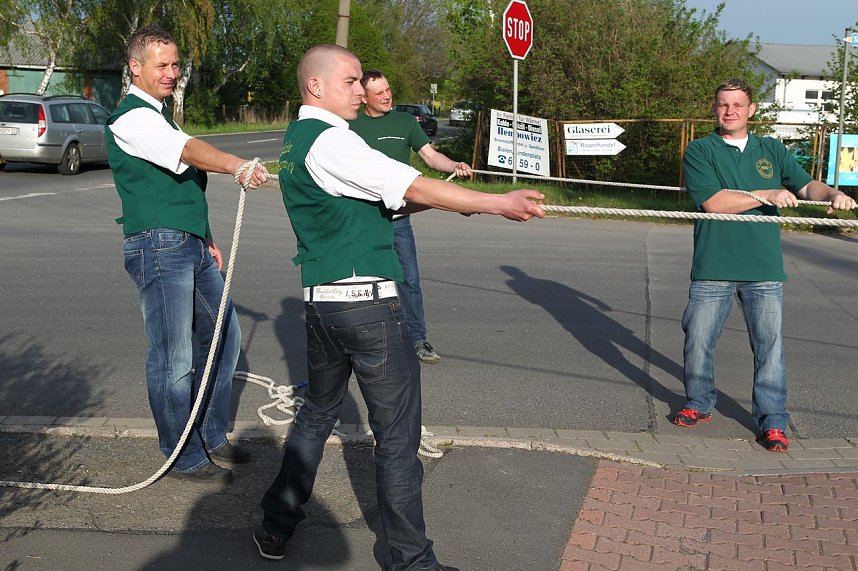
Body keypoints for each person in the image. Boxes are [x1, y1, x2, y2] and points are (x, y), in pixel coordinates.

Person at [254, 44, 544, 569]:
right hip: (367, 308)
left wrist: (448, 202)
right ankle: (412, 560)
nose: (360, 90)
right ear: (315, 86)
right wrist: (497, 202)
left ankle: (275, 524)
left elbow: (381, 200)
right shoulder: (334, 141)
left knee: (316, 414)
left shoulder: (298, 139)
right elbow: (408, 183)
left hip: (323, 306)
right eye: (350, 81)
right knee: (396, 439)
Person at [106, 25, 268, 482]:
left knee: (223, 338)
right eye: (162, 65)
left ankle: (211, 435)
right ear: (135, 67)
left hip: (188, 242)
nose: (172, 72)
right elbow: (187, 152)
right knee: (173, 356)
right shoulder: (131, 119)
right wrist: (236, 164)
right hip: (158, 245)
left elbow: (184, 179)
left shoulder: (161, 116)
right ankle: (182, 454)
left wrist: (206, 236)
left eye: (176, 64)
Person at [672, 78, 856, 452]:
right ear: (715, 108)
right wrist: (765, 194)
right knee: (698, 339)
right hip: (714, 265)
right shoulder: (700, 150)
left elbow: (806, 186)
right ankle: (699, 402)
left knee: (769, 348)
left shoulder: (771, 149)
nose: (730, 111)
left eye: (737, 104)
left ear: (751, 110)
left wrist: (832, 194)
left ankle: (773, 421)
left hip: (764, 268)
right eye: (723, 104)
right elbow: (714, 203)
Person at [349, 70, 473, 364]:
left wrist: (453, 165)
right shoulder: (350, 126)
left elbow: (430, 156)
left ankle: (417, 340)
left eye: (388, 89)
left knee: (410, 281)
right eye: (379, 93)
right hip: (362, 220)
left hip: (398, 219)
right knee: (364, 283)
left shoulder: (405, 122)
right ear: (364, 97)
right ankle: (364, 342)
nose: (387, 96)